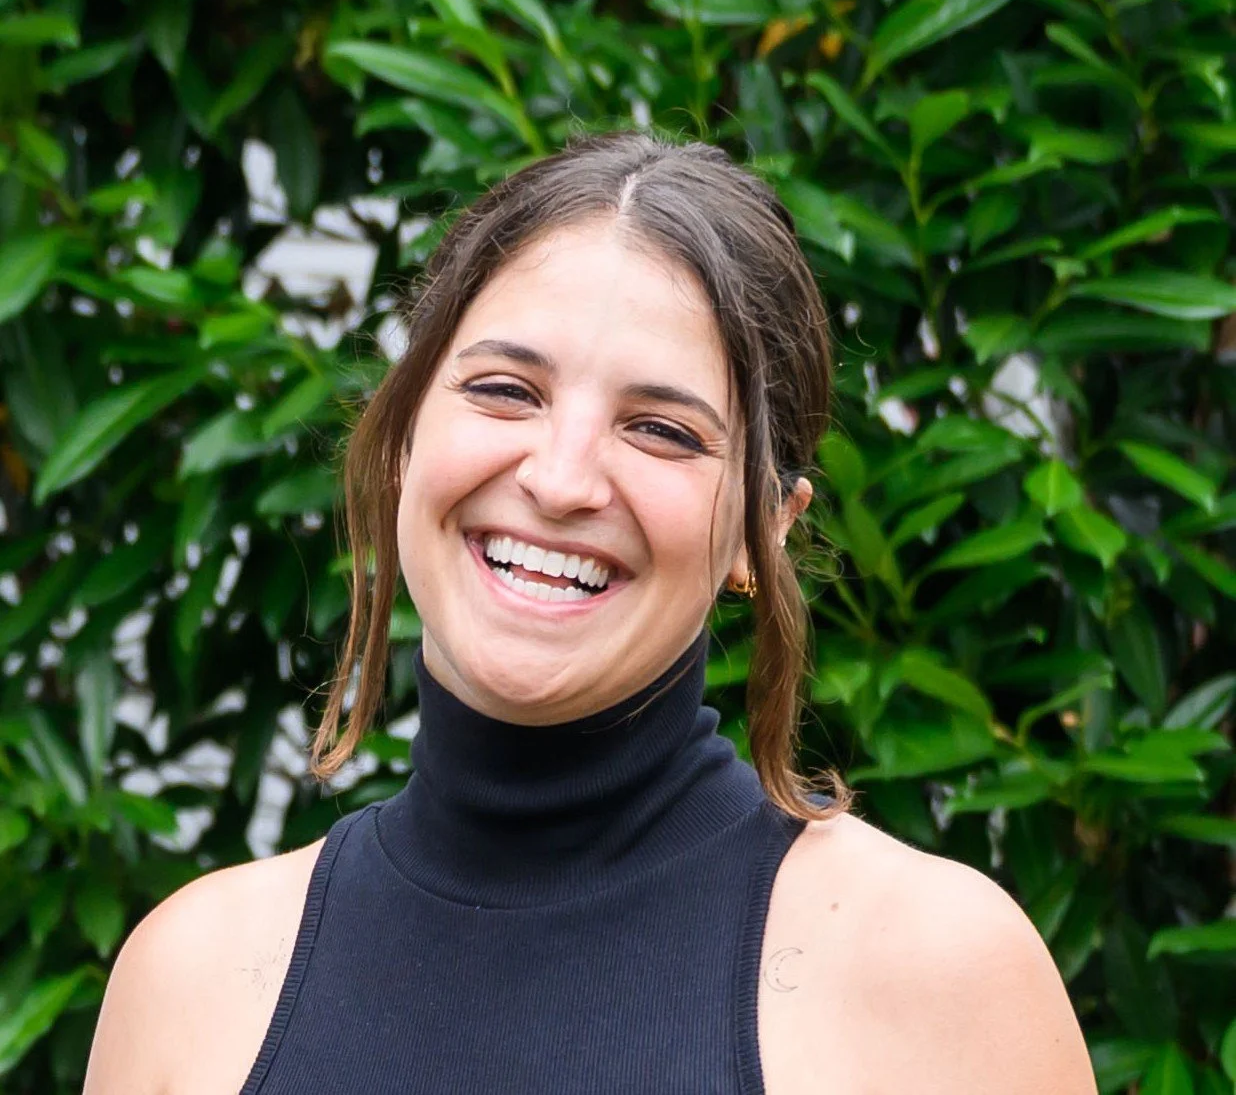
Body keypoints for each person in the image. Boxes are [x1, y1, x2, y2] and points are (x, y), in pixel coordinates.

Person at [84, 131, 1096, 1094]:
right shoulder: (192, 982)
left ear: (763, 529)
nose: (562, 478)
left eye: (659, 429)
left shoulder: (932, 974)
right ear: (400, 439)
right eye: (505, 389)